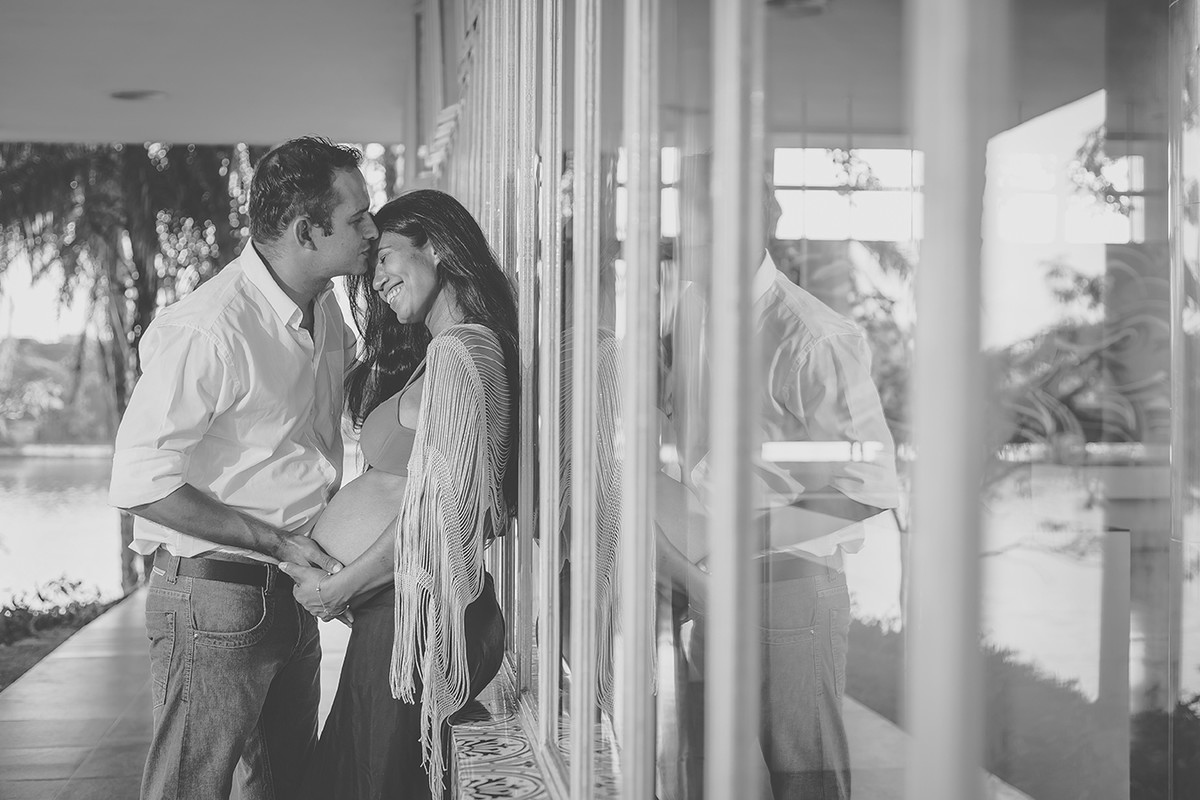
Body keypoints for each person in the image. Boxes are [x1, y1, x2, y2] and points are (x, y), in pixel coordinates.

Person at [108, 136, 379, 800]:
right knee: (186, 789)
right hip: (213, 602)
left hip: (287, 595)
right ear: (306, 230)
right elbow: (140, 483)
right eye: (359, 218)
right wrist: (280, 542)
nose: (375, 230)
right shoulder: (210, 328)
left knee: (286, 788)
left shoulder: (326, 309)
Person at [659, 170, 901, 799]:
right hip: (707, 584)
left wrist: (724, 547)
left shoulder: (812, 338)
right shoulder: (690, 306)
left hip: (789, 590)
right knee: (707, 775)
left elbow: (867, 486)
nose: (688, 238)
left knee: (804, 782)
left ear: (758, 223)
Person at [278, 189, 517, 799]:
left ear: (435, 246)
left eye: (386, 257)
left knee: (376, 786)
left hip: (413, 621)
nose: (376, 276)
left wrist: (342, 583)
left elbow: (441, 510)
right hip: (396, 618)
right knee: (360, 779)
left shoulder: (462, 353)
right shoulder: (441, 352)